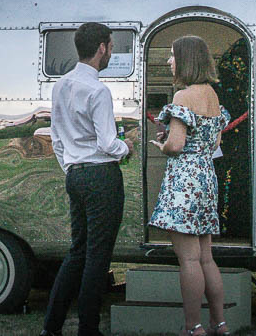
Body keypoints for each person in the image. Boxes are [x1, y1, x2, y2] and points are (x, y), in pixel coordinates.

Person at [40, 22, 132, 336]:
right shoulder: (98, 90)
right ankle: (88, 329)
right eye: (111, 45)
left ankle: (51, 327)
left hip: (75, 174)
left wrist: (70, 168)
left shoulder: (61, 85)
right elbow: (108, 143)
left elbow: (57, 139)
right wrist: (126, 147)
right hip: (101, 175)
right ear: (102, 48)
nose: (111, 51)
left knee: (78, 251)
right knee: (97, 255)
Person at [149, 35, 231, 336]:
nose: (169, 61)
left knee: (188, 259)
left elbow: (176, 145)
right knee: (206, 257)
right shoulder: (212, 95)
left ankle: (192, 327)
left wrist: (163, 145)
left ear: (186, 60)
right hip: (206, 177)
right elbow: (214, 142)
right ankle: (219, 323)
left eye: (172, 56)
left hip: (184, 179)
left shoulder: (183, 97)